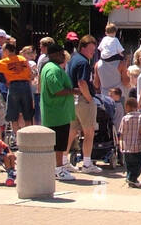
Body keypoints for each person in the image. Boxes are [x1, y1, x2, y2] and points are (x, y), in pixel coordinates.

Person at [39, 44, 77, 181]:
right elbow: (56, 90)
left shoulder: (51, 68)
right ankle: (59, 169)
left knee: (58, 143)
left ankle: (56, 168)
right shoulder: (52, 70)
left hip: (58, 112)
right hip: (56, 113)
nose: (63, 55)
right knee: (59, 144)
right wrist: (74, 91)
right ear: (53, 54)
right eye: (60, 53)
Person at [67, 35, 100, 173]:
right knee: (89, 131)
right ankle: (87, 163)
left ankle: (63, 161)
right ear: (83, 48)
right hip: (83, 100)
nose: (93, 52)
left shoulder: (73, 59)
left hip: (72, 99)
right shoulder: (83, 63)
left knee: (72, 131)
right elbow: (82, 82)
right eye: (91, 49)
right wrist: (89, 98)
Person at [118, 94, 141, 187]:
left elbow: (121, 132)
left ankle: (130, 177)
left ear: (126, 107)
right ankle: (132, 178)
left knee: (129, 164)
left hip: (127, 147)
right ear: (136, 106)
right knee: (139, 163)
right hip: (137, 146)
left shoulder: (124, 118)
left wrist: (120, 144)